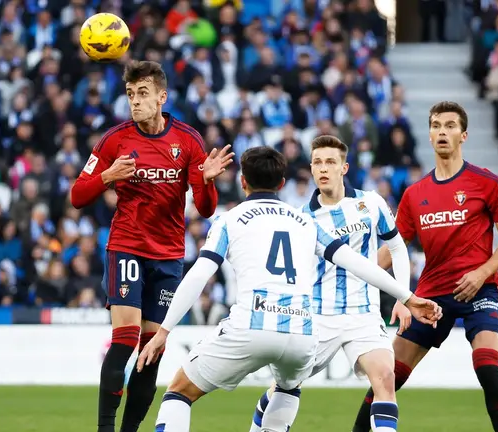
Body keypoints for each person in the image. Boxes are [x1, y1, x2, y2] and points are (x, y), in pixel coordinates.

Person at [137, 146, 443, 432]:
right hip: (300, 329)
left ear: (243, 182)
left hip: (251, 323)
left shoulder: (230, 220)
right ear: (282, 183)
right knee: (287, 386)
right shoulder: (305, 221)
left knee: (178, 391)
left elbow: (199, 274)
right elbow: (355, 263)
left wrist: (163, 331)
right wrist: (408, 296)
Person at [70, 60, 234, 432]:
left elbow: (206, 209)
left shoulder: (187, 141)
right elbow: (78, 195)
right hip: (127, 246)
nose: (135, 101)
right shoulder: (115, 139)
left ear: (162, 97)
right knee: (126, 340)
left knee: (152, 351)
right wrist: (107, 177)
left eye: (142, 93)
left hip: (168, 257)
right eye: (130, 94)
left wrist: (206, 182)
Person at [351, 101, 498, 432]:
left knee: (487, 367)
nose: (442, 131)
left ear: (464, 135)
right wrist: (353, 272)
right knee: (387, 376)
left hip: (480, 289)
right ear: (429, 135)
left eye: (450, 126)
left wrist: (481, 273)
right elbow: (393, 250)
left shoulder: (487, 183)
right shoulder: (415, 194)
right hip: (431, 296)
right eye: (436, 126)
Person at [247, 135, 413, 432]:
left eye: (330, 162)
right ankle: (259, 422)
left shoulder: (371, 203)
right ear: (311, 168)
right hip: (318, 317)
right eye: (318, 163)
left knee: (385, 379)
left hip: (363, 314)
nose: (324, 168)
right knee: (285, 386)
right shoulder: (301, 219)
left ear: (344, 168)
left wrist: (403, 298)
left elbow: (398, 248)